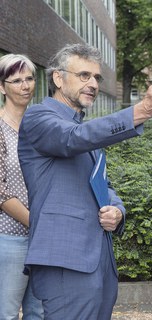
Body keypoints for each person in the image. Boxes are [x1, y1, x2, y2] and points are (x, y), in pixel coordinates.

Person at [17, 44, 152, 320]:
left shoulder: (84, 128)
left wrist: (118, 211)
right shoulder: (40, 117)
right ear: (58, 78)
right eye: (84, 75)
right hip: (65, 261)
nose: (93, 84)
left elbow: (102, 186)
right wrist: (140, 111)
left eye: (97, 77)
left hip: (99, 262)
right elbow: (71, 139)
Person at [0, 54, 44, 319]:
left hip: (42, 236)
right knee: (5, 312)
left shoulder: (39, 125)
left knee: (37, 312)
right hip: (10, 237)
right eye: (16, 80)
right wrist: (37, 221)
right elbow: (1, 191)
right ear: (1, 87)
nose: (25, 86)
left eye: (29, 78)